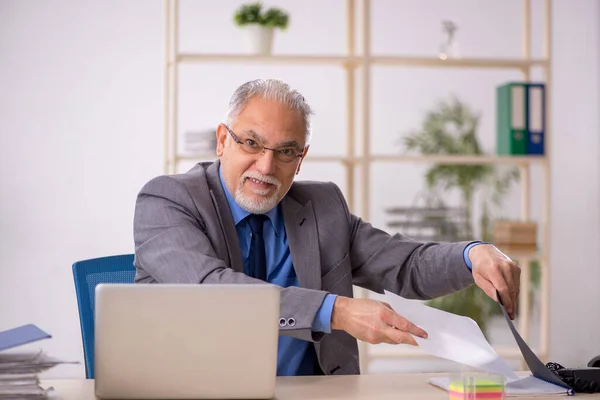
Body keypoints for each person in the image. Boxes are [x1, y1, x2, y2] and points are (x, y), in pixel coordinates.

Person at [133, 78, 521, 377]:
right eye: (251, 143)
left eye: (285, 152)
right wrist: (334, 311)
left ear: (300, 159)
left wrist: (473, 256)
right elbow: (209, 290)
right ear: (222, 141)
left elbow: (404, 264)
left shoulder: (321, 207)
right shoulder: (168, 200)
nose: (266, 167)